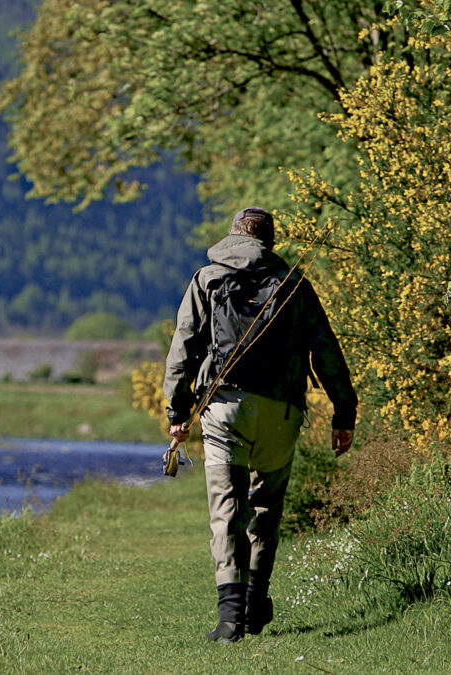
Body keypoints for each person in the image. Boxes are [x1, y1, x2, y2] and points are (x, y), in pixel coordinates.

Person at [163, 207, 357, 643]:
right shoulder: (294, 284)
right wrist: (344, 413)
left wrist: (177, 412)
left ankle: (230, 618)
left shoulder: (207, 279)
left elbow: (183, 347)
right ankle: (255, 605)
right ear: (270, 242)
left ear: (232, 236)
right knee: (266, 509)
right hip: (280, 412)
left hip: (223, 408)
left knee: (227, 508)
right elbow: (326, 351)